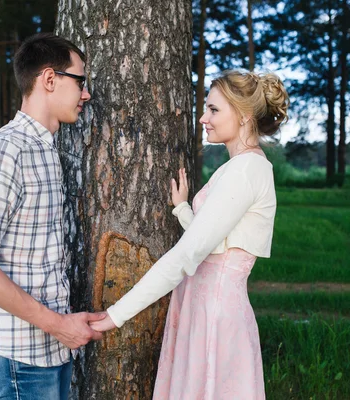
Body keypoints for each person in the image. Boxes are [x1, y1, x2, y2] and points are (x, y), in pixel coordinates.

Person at [90, 70, 289, 399]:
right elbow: (213, 241)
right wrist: (183, 209)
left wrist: (115, 315)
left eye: (213, 110)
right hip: (202, 308)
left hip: (214, 316)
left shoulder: (246, 170)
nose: (202, 119)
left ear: (244, 116)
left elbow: (188, 255)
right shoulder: (239, 167)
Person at [0, 33, 105, 400]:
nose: (86, 94)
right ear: (50, 79)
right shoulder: (5, 150)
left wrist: (62, 331)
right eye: (80, 81)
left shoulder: (45, 149)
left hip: (50, 349)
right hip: (17, 355)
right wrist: (59, 327)